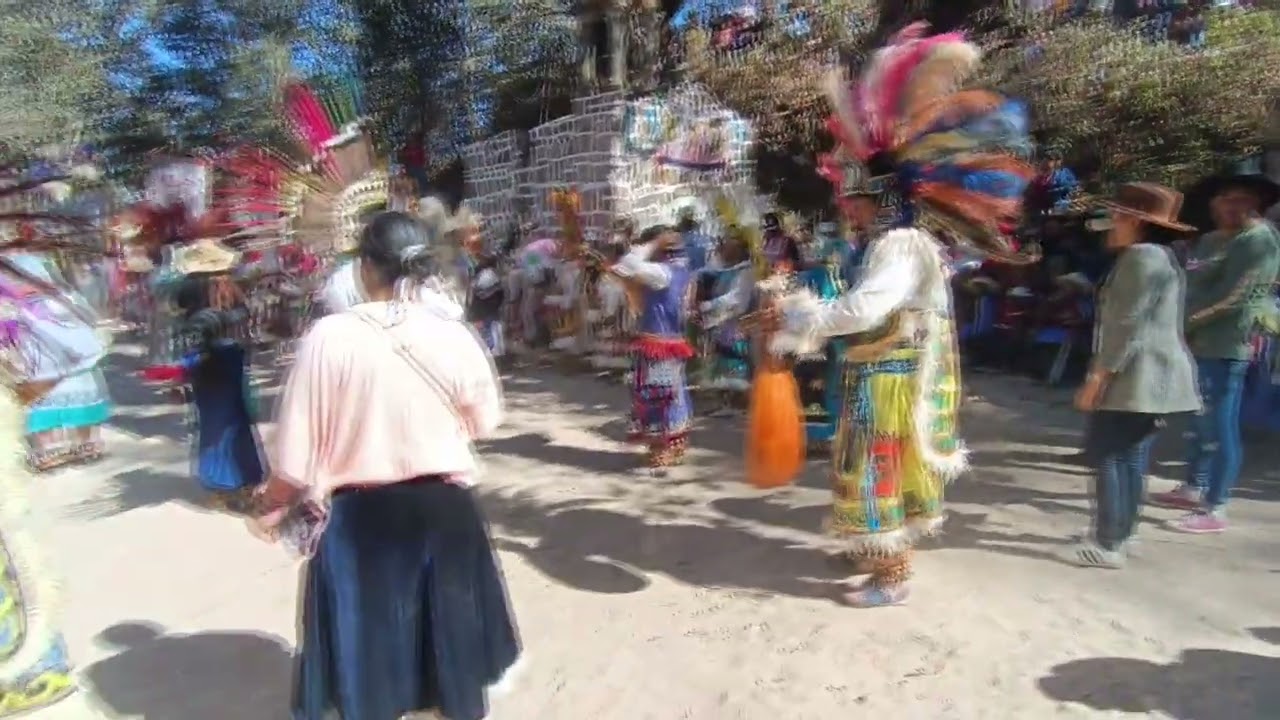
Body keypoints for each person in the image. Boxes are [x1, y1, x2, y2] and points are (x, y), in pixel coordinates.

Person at [757, 23, 1035, 607]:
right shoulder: (886, 245)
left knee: (876, 464)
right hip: (874, 374)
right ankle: (871, 547)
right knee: (863, 461)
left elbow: (865, 309)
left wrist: (801, 316)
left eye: (855, 200)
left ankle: (892, 574)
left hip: (888, 382)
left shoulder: (900, 245)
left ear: (880, 200)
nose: (848, 210)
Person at [251, 211, 519, 720]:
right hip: (446, 511)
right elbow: (485, 421)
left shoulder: (329, 336)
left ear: (367, 267)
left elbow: (296, 456)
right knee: (448, 657)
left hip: (362, 521)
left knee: (370, 663)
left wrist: (269, 507)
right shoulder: (453, 334)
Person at [1069, 183, 1201, 568]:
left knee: (1107, 452)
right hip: (1150, 376)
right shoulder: (1159, 256)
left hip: (1135, 375)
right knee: (1129, 455)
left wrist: (1098, 378)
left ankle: (1108, 543)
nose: (1111, 223)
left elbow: (1125, 326)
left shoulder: (1141, 259)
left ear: (1133, 220)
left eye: (1117, 215)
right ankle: (1123, 533)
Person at [1151, 165, 1280, 533]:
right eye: (1225, 198)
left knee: (1220, 425)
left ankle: (1215, 506)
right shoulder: (1208, 241)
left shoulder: (1258, 240)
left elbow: (1238, 297)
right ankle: (1194, 485)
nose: (1231, 205)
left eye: (1242, 199)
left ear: (1257, 204)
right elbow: (1188, 283)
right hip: (1191, 342)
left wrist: (1185, 324)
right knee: (1196, 420)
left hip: (1225, 344)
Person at [7, 250, 112, 470]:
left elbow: (84, 323)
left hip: (66, 363)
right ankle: (50, 448)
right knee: (45, 407)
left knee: (76, 403)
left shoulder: (57, 301)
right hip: (44, 364)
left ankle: (83, 444)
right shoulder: (21, 307)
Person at [614, 224, 694, 469]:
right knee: (671, 394)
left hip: (658, 344)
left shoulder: (661, 273)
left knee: (658, 396)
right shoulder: (681, 271)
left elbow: (626, 265)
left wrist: (652, 243)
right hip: (669, 341)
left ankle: (663, 448)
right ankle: (673, 446)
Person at [698, 226, 755, 414]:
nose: (723, 247)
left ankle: (737, 404)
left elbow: (738, 299)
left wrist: (709, 306)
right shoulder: (728, 269)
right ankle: (725, 403)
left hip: (737, 324)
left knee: (735, 363)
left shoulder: (746, 271)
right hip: (723, 324)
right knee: (722, 363)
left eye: (728, 243)